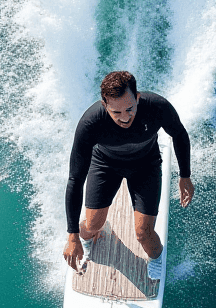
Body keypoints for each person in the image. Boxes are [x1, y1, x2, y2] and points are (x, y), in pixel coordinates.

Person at [63, 70, 194, 277]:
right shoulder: (90, 123)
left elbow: (179, 133)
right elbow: (75, 179)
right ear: (105, 105)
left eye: (130, 109)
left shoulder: (156, 107)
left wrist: (185, 175)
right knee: (92, 225)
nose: (124, 118)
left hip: (146, 165)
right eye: (116, 112)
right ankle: (85, 237)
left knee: (144, 233)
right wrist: (72, 235)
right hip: (105, 165)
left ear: (138, 97)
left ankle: (156, 257)